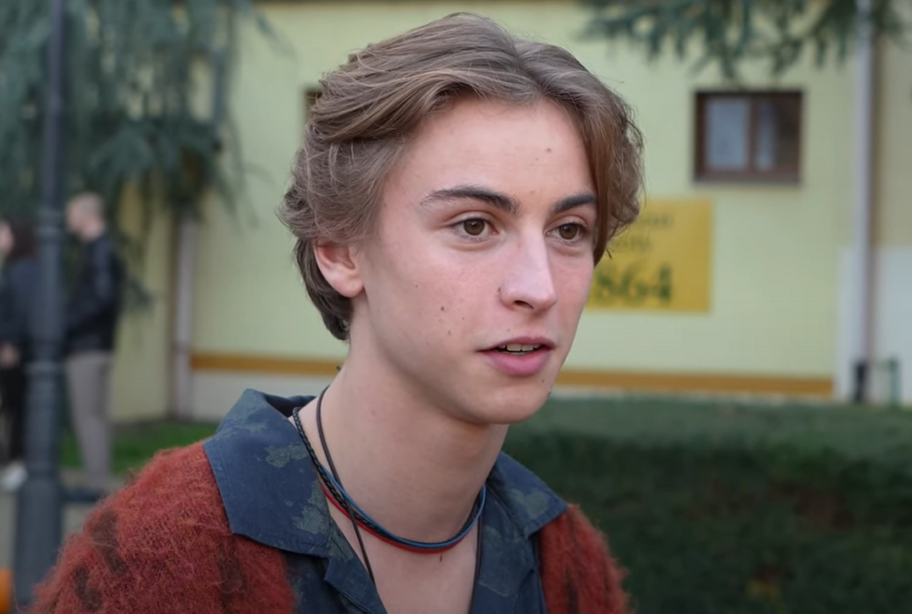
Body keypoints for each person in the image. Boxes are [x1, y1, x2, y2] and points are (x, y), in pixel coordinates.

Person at [29, 13, 644, 613]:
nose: (539, 288)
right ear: (340, 251)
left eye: (569, 229)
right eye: (474, 225)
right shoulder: (159, 563)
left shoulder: (566, 566)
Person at [62, 192, 124, 496]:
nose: (67, 219)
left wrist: (67, 323)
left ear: (87, 215)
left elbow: (101, 298)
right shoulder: (103, 249)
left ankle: (94, 483)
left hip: (87, 346)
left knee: (87, 416)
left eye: (71, 213)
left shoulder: (98, 251)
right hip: (98, 344)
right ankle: (97, 480)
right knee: (95, 417)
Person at [0, 216, 38, 492]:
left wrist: (11, 343)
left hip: (14, 351)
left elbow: (22, 311)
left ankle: (17, 464)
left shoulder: (22, 269)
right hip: (14, 348)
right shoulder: (18, 267)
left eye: (2, 231)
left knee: (16, 408)